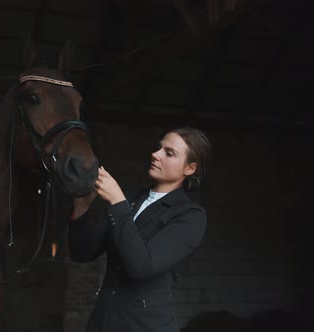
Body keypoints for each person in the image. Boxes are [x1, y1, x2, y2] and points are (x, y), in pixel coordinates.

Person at [69, 127, 211, 332]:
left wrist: (117, 202)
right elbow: (82, 253)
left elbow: (141, 266)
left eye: (169, 153)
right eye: (159, 148)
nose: (155, 154)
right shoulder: (131, 200)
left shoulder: (190, 216)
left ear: (189, 169)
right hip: (103, 324)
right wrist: (81, 204)